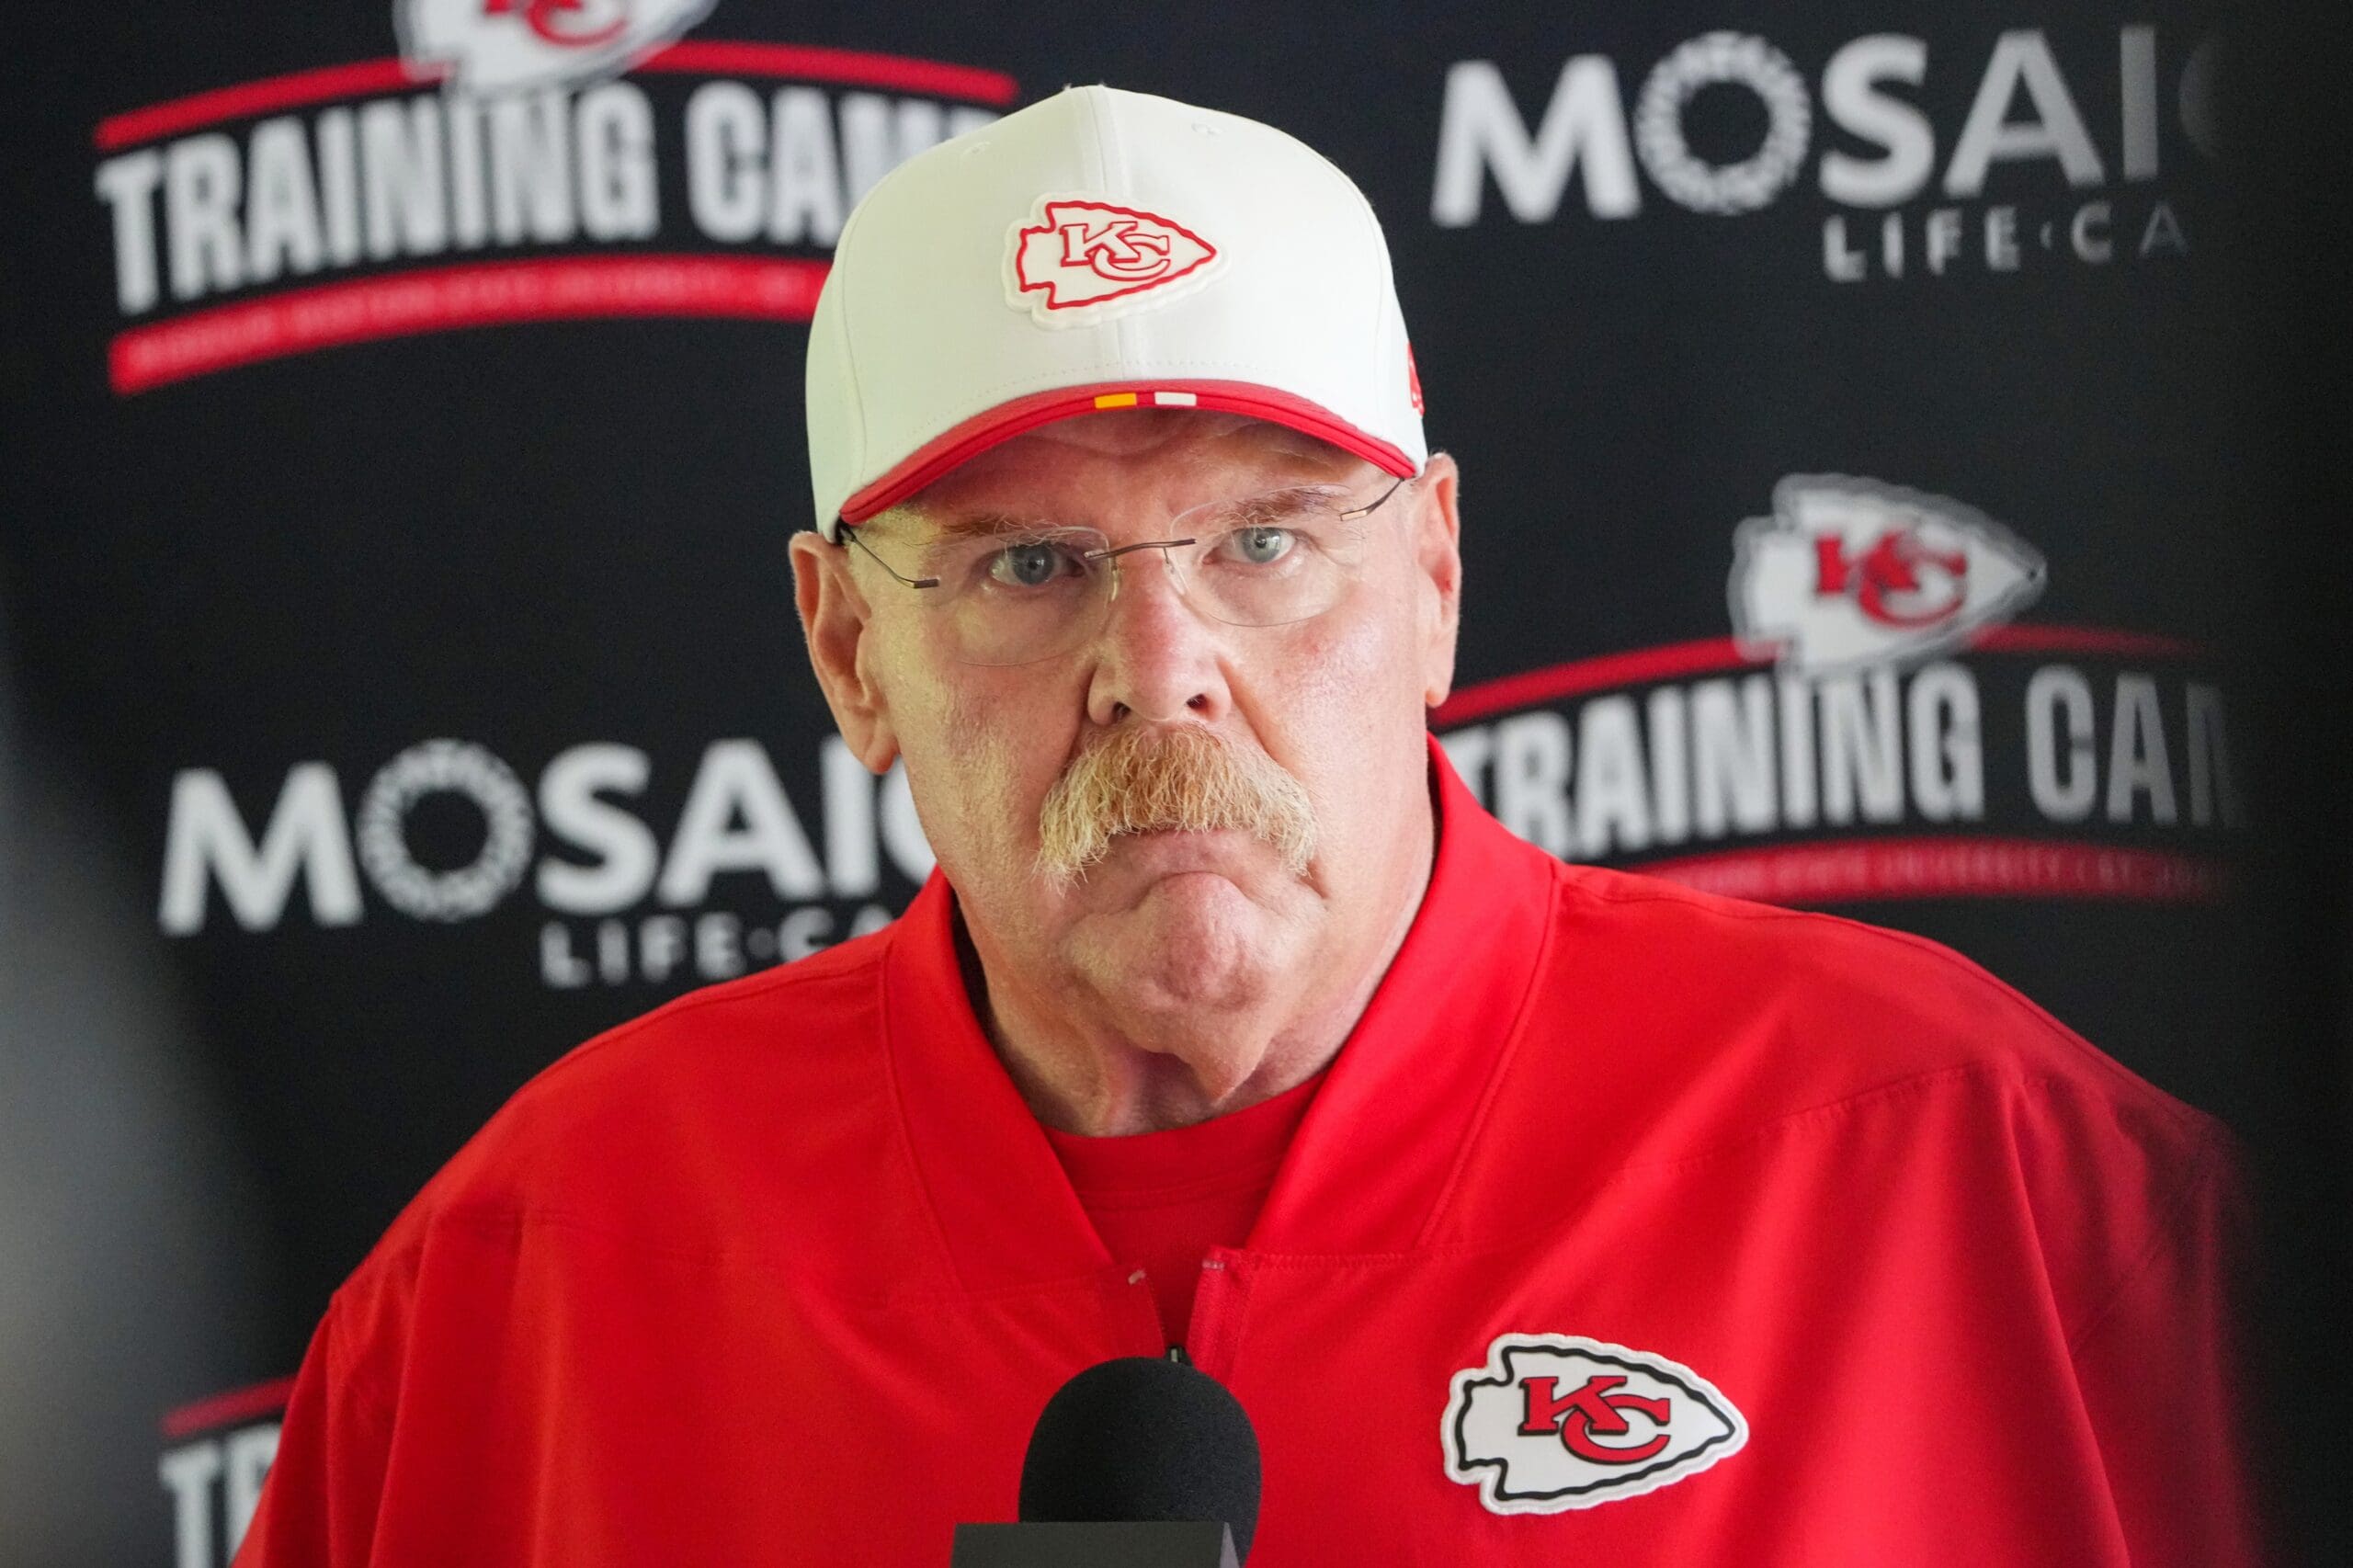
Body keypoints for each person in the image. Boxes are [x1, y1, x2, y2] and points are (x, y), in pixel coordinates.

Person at [241, 85, 2265, 1564]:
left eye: (1267, 539)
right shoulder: (532, 1285)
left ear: (1438, 575)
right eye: (1030, 564)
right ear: (845, 646)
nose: (1161, 661)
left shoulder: (1984, 1179)